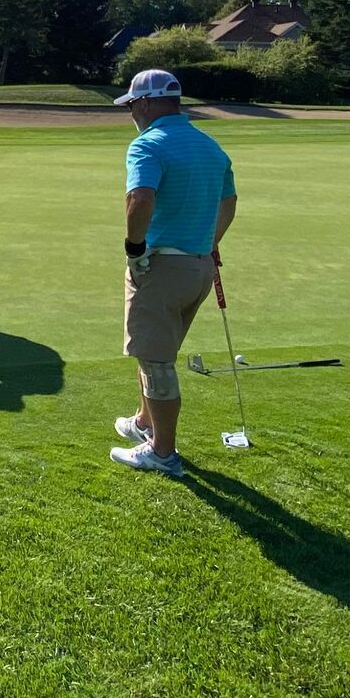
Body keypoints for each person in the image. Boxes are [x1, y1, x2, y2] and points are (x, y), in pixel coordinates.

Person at [107, 68, 237, 476]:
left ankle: (162, 452)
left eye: (131, 105)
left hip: (160, 265)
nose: (131, 113)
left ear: (144, 103)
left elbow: (140, 198)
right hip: (198, 267)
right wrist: (208, 242)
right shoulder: (210, 145)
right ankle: (144, 422)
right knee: (155, 351)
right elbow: (228, 202)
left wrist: (133, 248)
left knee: (156, 360)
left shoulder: (148, 144)